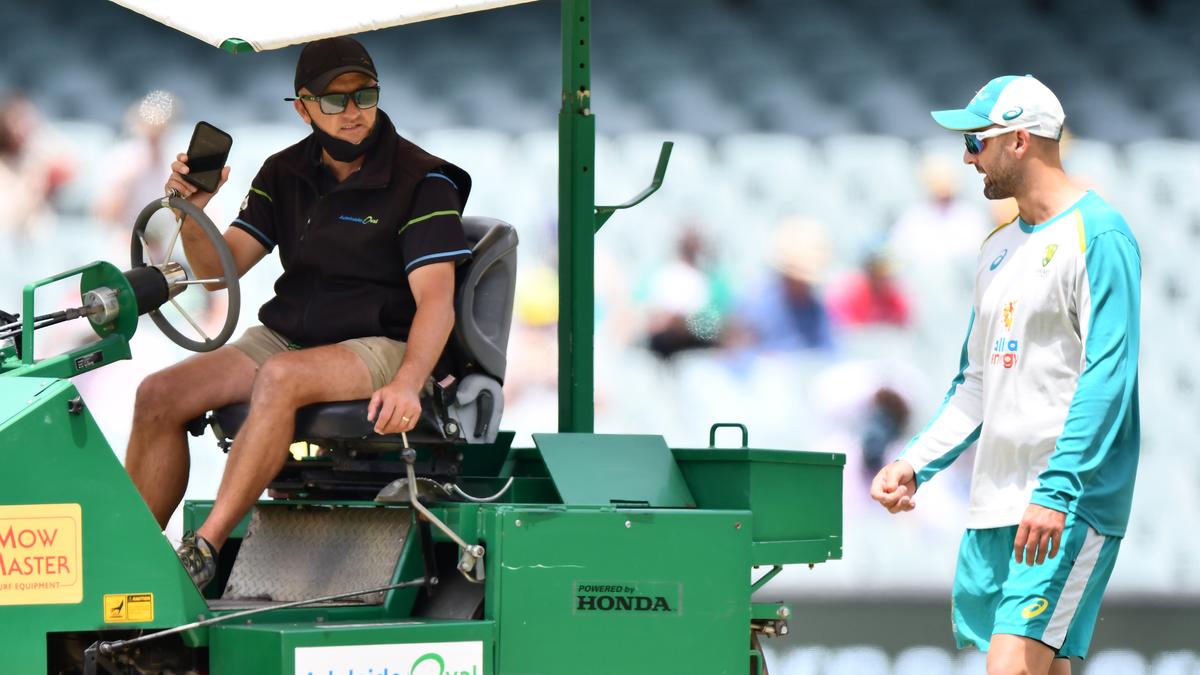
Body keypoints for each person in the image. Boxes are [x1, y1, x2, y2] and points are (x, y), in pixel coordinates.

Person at [123, 36, 474, 590]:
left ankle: (203, 550)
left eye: (365, 95)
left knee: (281, 378)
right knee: (158, 394)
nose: (354, 112)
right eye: (336, 101)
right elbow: (220, 269)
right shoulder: (284, 171)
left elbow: (436, 302)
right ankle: (131, 560)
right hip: (290, 336)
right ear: (304, 107)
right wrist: (193, 213)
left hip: (382, 343)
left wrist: (409, 383)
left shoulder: (423, 181)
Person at [869, 75, 1141, 674]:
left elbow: (1108, 375)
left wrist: (1057, 489)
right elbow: (975, 382)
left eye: (975, 142)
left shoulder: (1100, 235)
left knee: (1009, 668)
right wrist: (913, 461)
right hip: (997, 501)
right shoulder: (995, 248)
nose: (966, 158)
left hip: (1065, 499)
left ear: (1019, 141)